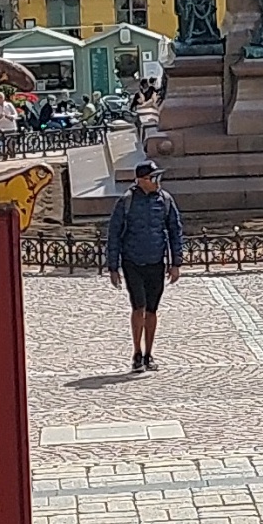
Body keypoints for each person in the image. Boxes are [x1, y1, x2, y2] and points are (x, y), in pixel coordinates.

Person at [103, 160, 185, 373]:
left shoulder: (165, 200)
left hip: (156, 262)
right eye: (153, 178)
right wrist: (113, 267)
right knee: (138, 307)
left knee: (152, 310)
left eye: (158, 177)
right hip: (133, 262)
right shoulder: (126, 202)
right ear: (141, 180)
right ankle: (136, 353)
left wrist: (176, 262)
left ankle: (149, 354)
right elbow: (114, 234)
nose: (157, 182)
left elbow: (175, 231)